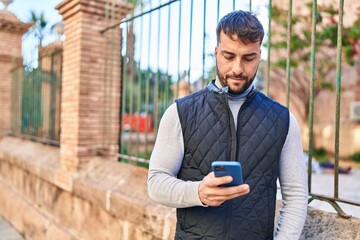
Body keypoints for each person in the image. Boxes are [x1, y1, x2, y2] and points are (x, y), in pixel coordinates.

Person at [148, 10, 308, 240]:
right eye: (228, 56)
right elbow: (156, 182)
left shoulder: (283, 120)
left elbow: (296, 196)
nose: (237, 68)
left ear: (260, 55)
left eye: (248, 58)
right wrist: (198, 193)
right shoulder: (180, 113)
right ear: (216, 52)